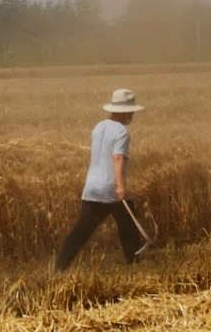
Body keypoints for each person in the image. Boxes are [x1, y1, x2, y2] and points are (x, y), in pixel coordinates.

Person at [55, 88, 145, 271]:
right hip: (109, 187)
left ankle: (59, 266)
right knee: (128, 226)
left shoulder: (98, 127)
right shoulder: (122, 132)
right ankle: (133, 262)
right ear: (126, 111)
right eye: (131, 111)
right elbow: (118, 158)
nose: (132, 114)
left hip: (91, 186)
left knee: (81, 230)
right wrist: (120, 187)